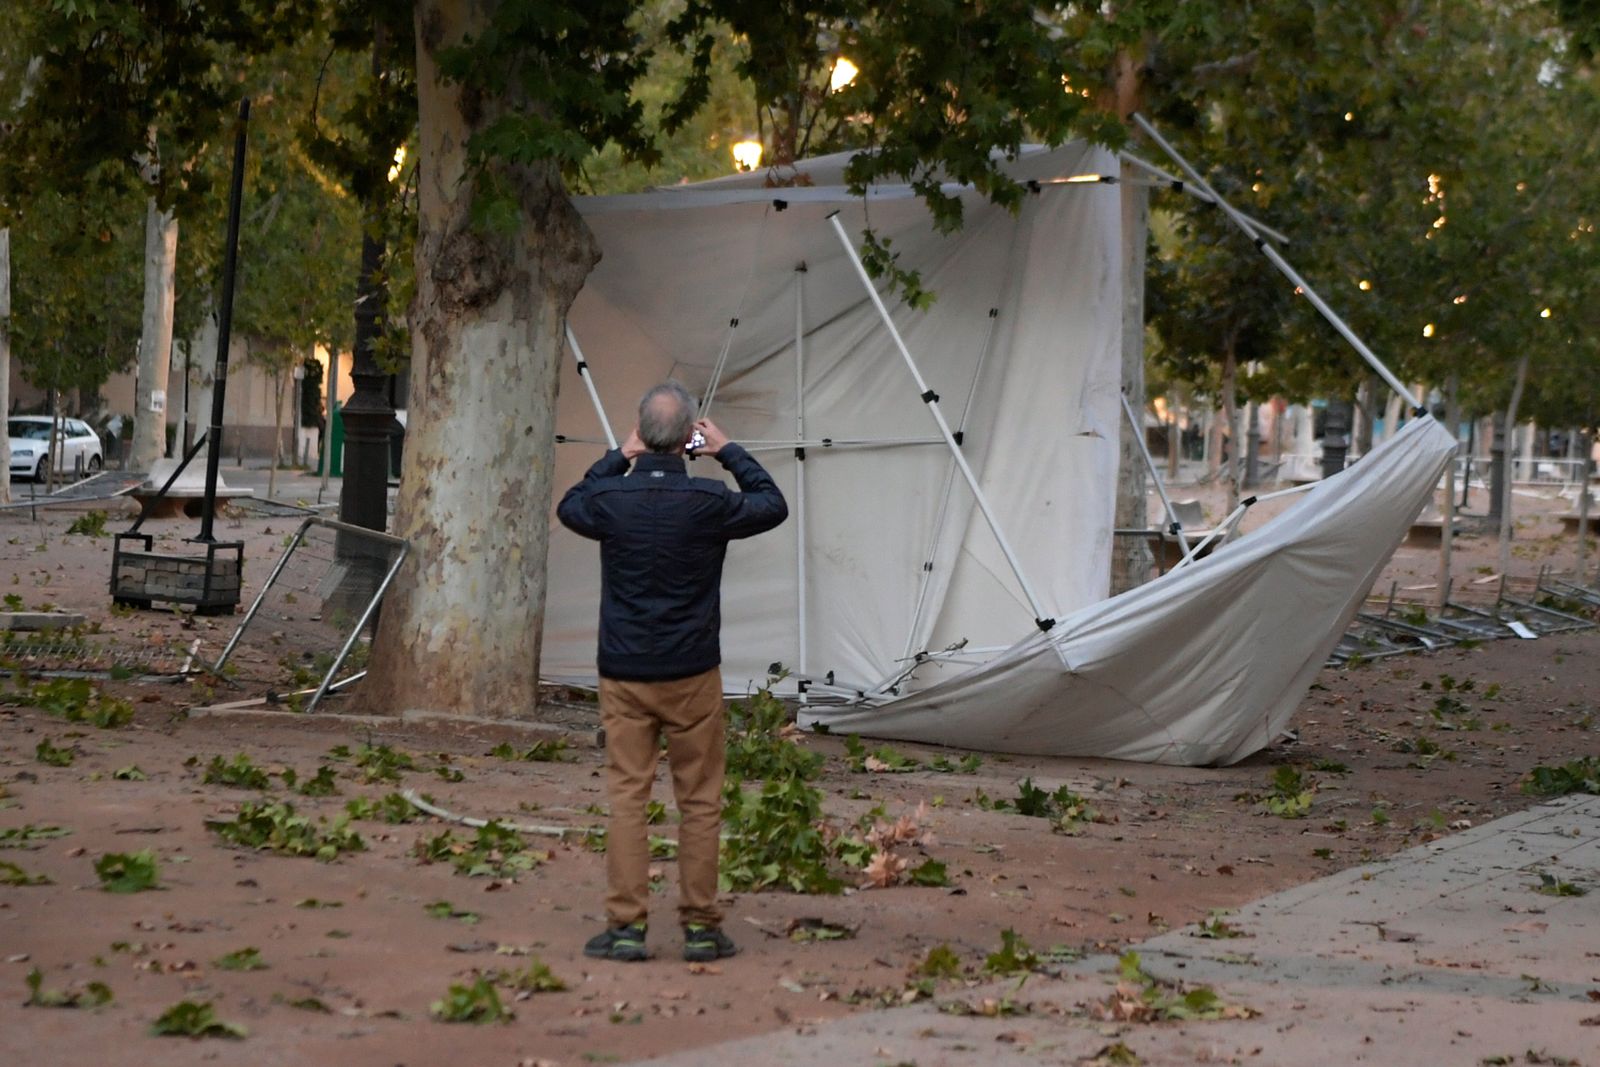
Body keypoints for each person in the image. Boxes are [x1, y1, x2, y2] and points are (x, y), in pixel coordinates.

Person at [557, 381, 788, 962]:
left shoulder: (610, 499)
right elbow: (771, 502)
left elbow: (571, 503)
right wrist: (727, 449)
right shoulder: (712, 502)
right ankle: (702, 926)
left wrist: (621, 453)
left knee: (628, 799)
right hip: (691, 672)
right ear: (690, 437)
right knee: (701, 801)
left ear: (642, 433)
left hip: (625, 670)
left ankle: (627, 927)